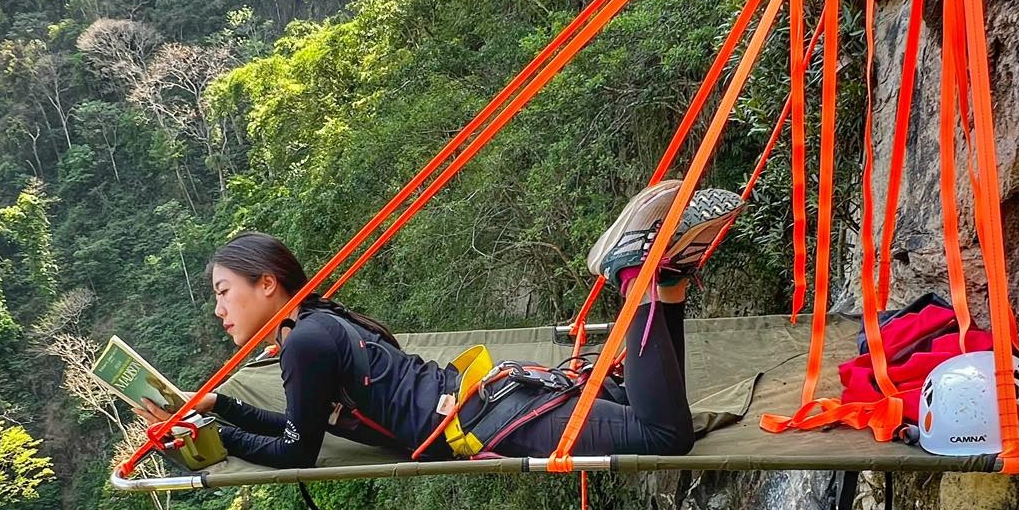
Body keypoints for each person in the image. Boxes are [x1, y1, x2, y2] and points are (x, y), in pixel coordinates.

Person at [204, 181, 743, 470]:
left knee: (665, 435)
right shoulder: (322, 323)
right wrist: (219, 409)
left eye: (224, 293)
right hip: (490, 398)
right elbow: (302, 426)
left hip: (487, 417)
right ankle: (665, 277)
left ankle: (636, 270)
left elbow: (297, 449)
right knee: (638, 402)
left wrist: (218, 439)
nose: (219, 310)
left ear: (268, 283)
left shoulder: (303, 344)